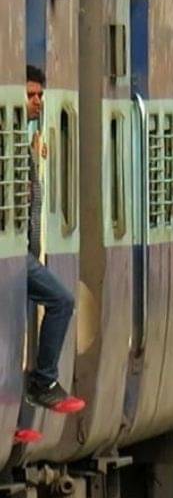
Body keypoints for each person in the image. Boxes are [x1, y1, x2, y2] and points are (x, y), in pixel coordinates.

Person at [22, 66, 84, 416]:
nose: (37, 101)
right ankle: (43, 381)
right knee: (61, 300)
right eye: (31, 94)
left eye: (40, 95)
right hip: (16, 254)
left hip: (23, 254)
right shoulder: (13, 140)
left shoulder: (25, 138)